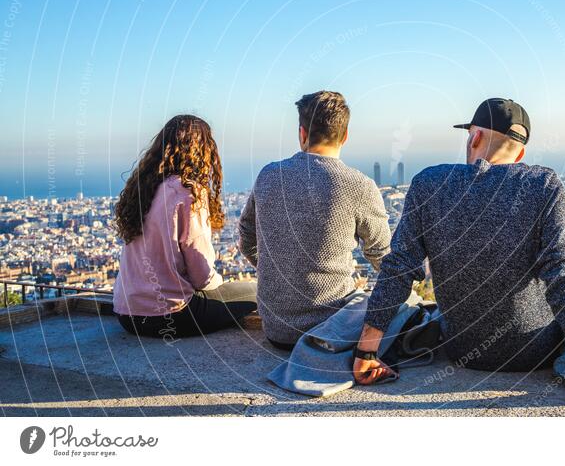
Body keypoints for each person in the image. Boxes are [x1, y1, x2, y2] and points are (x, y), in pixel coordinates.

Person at [352, 98, 565, 403]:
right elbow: (564, 276)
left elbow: (399, 266)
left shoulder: (429, 184)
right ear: (520, 153)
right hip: (534, 352)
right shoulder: (543, 186)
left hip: (461, 350)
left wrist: (366, 351)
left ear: (475, 136)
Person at [238, 91, 391, 349]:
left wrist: (279, 271)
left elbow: (246, 237)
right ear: (345, 136)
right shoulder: (358, 186)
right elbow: (384, 258)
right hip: (331, 328)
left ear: (302, 133)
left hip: (276, 329)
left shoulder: (268, 176)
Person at [113, 115, 257, 339]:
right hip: (172, 316)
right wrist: (222, 287)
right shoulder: (188, 192)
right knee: (255, 290)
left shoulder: (143, 190)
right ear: (204, 151)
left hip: (127, 316)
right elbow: (202, 278)